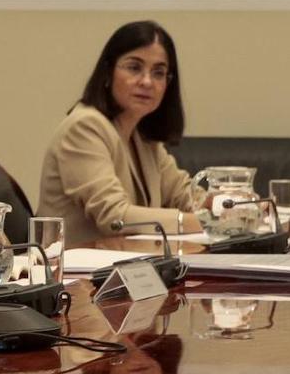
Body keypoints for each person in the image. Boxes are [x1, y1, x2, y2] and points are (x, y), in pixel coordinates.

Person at [38, 20, 203, 247]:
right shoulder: (85, 127)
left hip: (124, 268)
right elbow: (115, 218)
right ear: (108, 72)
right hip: (75, 275)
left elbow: (183, 194)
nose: (147, 81)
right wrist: (203, 221)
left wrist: (229, 205)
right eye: (134, 68)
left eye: (158, 72)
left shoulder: (141, 135)